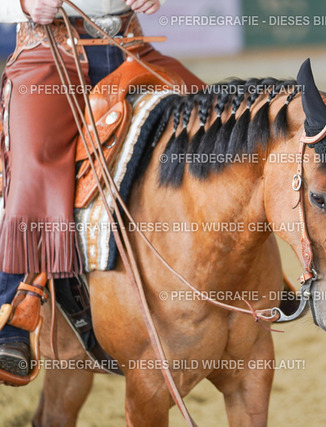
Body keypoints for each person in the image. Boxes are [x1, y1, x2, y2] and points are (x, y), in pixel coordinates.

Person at [0, 0, 205, 381]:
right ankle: (13, 314)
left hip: (129, 47)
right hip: (48, 50)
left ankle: (252, 273)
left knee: (212, 124)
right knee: (36, 161)